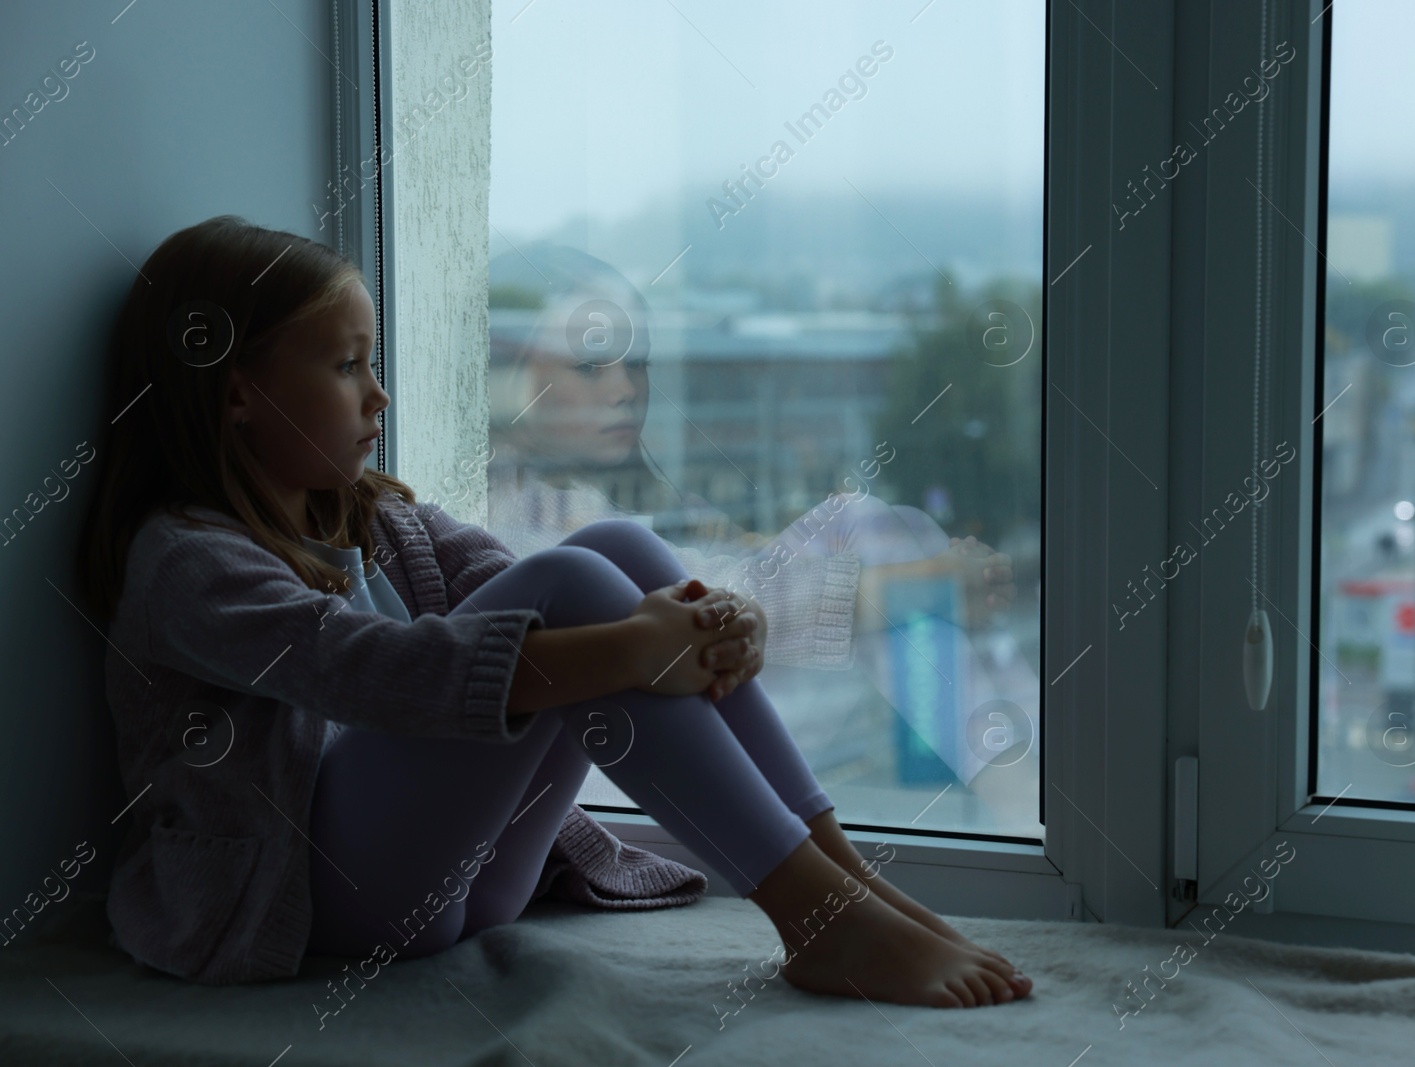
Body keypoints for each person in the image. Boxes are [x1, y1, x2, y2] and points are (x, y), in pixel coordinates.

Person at [73, 215, 1032, 1009]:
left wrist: (700, 621)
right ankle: (816, 917)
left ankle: (839, 876)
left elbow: (517, 575)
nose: (379, 394)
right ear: (239, 394)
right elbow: (370, 670)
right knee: (580, 593)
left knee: (612, 555)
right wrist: (638, 646)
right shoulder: (186, 563)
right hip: (303, 898)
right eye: (345, 366)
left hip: (463, 883)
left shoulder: (374, 517)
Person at [485, 243, 1037, 802]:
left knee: (873, 527)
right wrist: (910, 588)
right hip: (623, 764)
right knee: (876, 543)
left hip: (697, 703)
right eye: (589, 366)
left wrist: (919, 575)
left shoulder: (605, 487)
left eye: (637, 363)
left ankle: (1022, 773)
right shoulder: (510, 507)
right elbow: (701, 600)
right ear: (512, 377)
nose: (625, 389)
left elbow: (725, 555)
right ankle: (1022, 795)